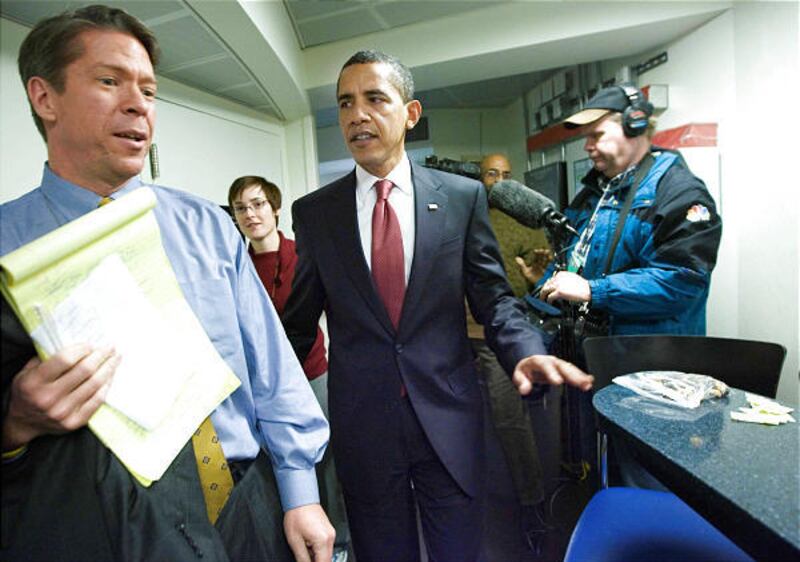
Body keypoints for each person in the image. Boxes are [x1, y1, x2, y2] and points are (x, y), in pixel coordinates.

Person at [1, 6, 334, 561]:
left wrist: (301, 492)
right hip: (103, 532)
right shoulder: (8, 246)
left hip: (249, 505)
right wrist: (12, 423)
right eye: (109, 81)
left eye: (149, 91)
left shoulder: (206, 227)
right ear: (45, 98)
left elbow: (270, 367)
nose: (138, 104)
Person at [282, 49, 593, 562]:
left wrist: (524, 351)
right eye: (345, 104)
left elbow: (494, 300)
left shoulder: (462, 198)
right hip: (365, 426)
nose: (357, 115)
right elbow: (297, 325)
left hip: (448, 422)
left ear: (410, 113)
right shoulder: (316, 214)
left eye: (374, 99)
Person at [227, 175, 351, 562]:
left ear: (276, 208)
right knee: (277, 464)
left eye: (258, 204)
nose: (251, 214)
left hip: (312, 374)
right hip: (261, 387)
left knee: (327, 463)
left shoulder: (303, 253)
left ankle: (340, 543)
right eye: (241, 208)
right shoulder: (235, 265)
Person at [538, 84, 722, 337]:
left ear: (634, 126)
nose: (587, 146)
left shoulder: (680, 193)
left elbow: (682, 283)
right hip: (591, 354)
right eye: (586, 137)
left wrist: (594, 291)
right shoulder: (593, 193)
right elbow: (568, 260)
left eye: (597, 135)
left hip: (649, 363)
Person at [466, 153, 552, 552]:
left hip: (495, 337)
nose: (499, 182)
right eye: (492, 174)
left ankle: (532, 502)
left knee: (509, 419)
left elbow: (534, 277)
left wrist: (533, 271)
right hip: (451, 336)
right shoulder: (461, 208)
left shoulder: (523, 218)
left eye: (506, 174)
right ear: (480, 178)